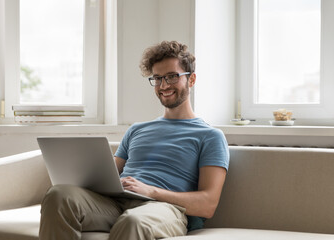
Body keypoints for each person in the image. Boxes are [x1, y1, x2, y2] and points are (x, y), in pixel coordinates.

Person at [39, 40, 229, 240]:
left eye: (172, 77)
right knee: (58, 196)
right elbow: (108, 174)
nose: (164, 85)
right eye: (157, 78)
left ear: (191, 80)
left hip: (164, 208)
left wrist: (151, 191)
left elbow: (208, 204)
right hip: (116, 202)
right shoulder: (137, 130)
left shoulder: (210, 136)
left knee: (133, 221)